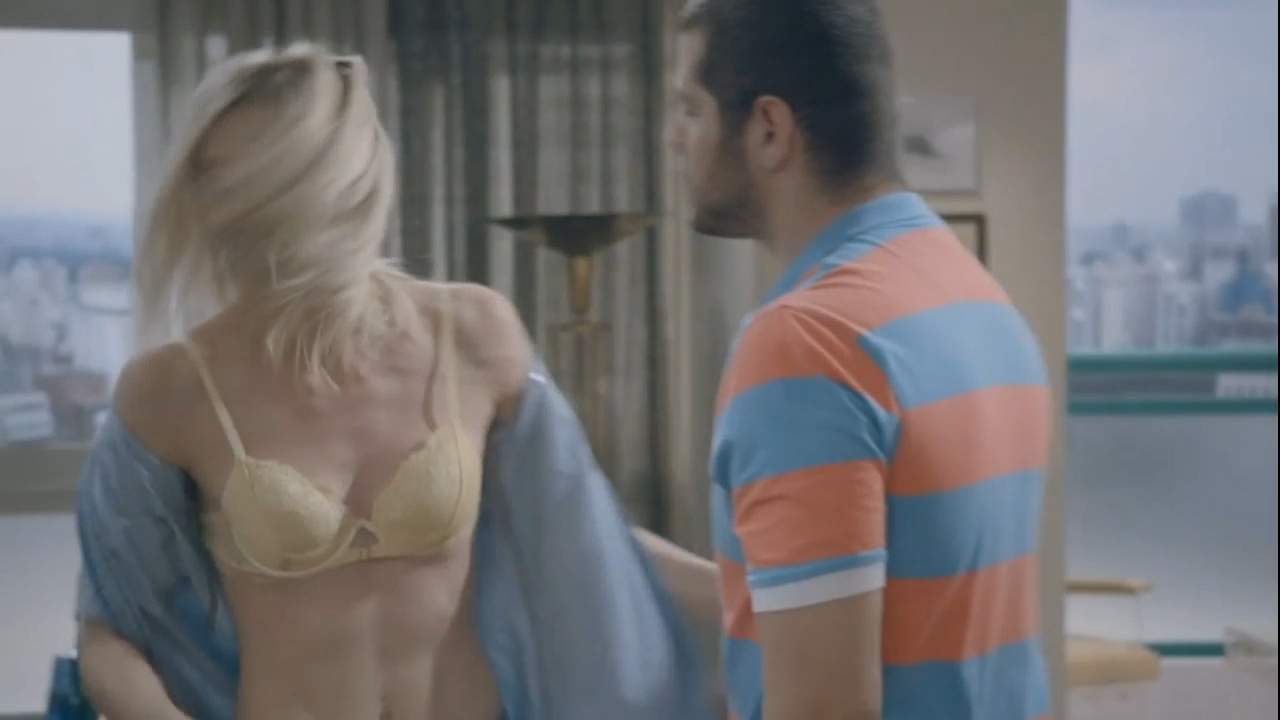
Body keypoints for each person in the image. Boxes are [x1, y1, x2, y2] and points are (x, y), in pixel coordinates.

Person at [75, 43, 712, 720]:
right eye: (220, 183)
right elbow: (109, 634)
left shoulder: (473, 335)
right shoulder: (170, 389)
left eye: (266, 185)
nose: (240, 216)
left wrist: (756, 594)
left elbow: (590, 538)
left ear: (342, 181)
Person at [664, 1, 1054, 718]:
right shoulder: (975, 298)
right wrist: (604, 543)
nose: (673, 137)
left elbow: (824, 706)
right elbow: (840, 603)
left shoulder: (808, 341)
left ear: (770, 129)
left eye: (690, 108)